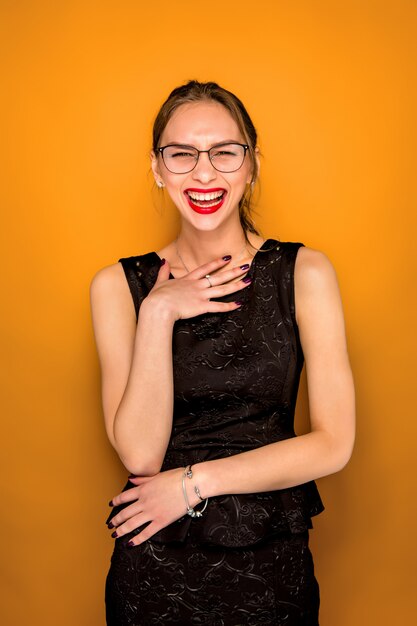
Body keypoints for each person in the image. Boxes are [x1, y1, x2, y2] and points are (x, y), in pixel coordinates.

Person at [90, 80, 355, 625]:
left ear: (252, 164)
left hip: (270, 560)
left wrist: (193, 484)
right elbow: (139, 455)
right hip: (155, 563)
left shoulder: (304, 274)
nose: (204, 173)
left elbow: (334, 444)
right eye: (181, 155)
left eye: (224, 153)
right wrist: (159, 312)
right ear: (158, 168)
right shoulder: (118, 287)